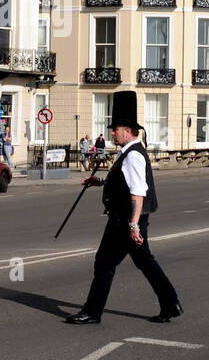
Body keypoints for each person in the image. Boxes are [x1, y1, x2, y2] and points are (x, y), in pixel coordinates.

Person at [66, 91, 182, 325]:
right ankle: (170, 304)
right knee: (143, 262)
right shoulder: (129, 153)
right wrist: (99, 182)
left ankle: (92, 311)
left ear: (127, 130)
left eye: (115, 128)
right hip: (127, 220)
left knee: (105, 263)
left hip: (124, 221)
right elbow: (125, 184)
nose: (111, 132)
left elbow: (138, 192)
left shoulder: (133, 156)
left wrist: (133, 225)